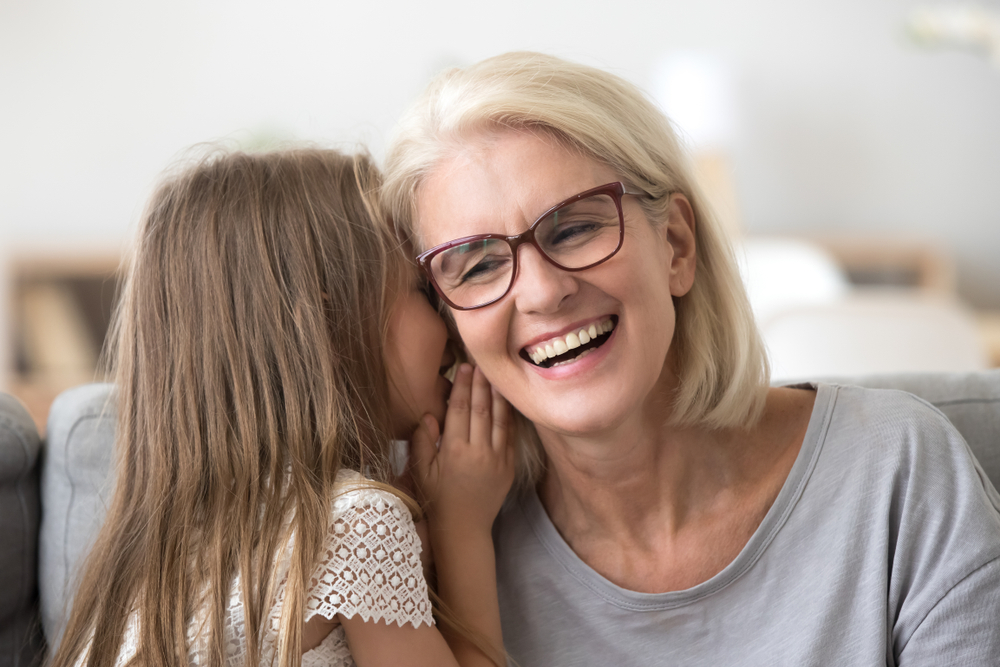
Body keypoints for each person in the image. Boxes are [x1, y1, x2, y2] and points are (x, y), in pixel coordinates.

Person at [381, 52, 1000, 665]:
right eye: (480, 265)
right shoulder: (424, 538)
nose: (543, 292)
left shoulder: (898, 468)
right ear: (451, 323)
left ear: (675, 244)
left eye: (574, 230)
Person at [48, 148, 514, 667]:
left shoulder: (164, 555)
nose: (453, 327)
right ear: (328, 326)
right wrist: (463, 528)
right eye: (424, 294)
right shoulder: (358, 523)